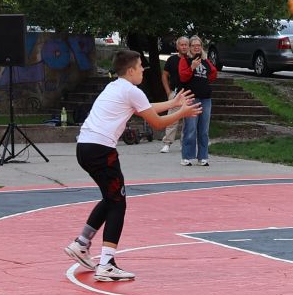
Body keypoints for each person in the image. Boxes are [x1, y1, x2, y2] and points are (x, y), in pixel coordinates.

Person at [62, 49, 199, 282]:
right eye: (141, 67)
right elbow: (156, 123)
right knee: (118, 203)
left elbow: (144, 107)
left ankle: (81, 243)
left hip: (85, 147)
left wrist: (173, 103)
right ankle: (106, 264)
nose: (143, 70)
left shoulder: (115, 87)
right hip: (101, 150)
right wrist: (182, 112)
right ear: (131, 70)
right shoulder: (131, 90)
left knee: (111, 198)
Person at [176, 34, 216, 167]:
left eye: (198, 45)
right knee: (191, 127)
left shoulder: (205, 60)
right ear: (189, 47)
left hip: (205, 98)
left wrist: (205, 80)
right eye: (193, 46)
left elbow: (213, 73)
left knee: (204, 129)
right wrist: (192, 67)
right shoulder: (185, 60)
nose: (196, 48)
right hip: (192, 98)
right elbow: (183, 77)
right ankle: (186, 156)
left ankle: (203, 157)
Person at [159, 36, 186, 152]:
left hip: (189, 93)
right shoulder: (172, 60)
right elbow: (164, 75)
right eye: (182, 45)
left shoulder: (192, 59)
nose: (184, 47)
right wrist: (168, 91)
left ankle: (185, 143)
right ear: (177, 46)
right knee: (172, 119)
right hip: (175, 93)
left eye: (186, 45)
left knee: (188, 121)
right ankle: (167, 143)